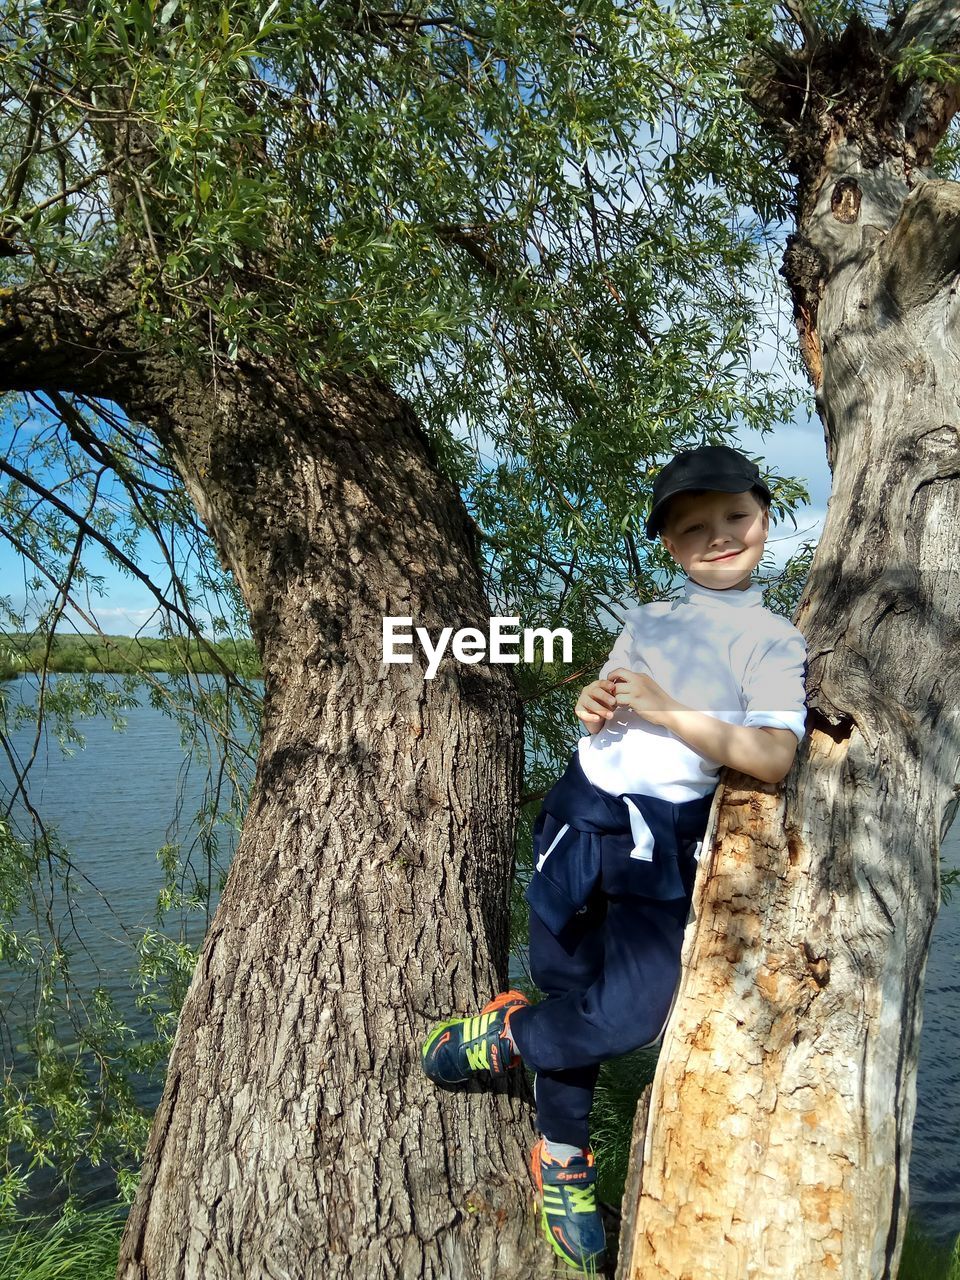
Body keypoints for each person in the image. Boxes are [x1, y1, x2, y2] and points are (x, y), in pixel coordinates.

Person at [420, 444, 809, 1274]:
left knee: (634, 1013)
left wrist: (671, 712)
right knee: (571, 987)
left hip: (660, 844)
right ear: (670, 544)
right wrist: (589, 700)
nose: (718, 537)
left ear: (764, 514)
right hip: (579, 815)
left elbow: (773, 756)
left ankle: (506, 1035)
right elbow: (600, 704)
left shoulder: (774, 640)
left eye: (735, 517)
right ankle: (560, 1156)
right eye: (694, 528)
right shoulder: (648, 617)